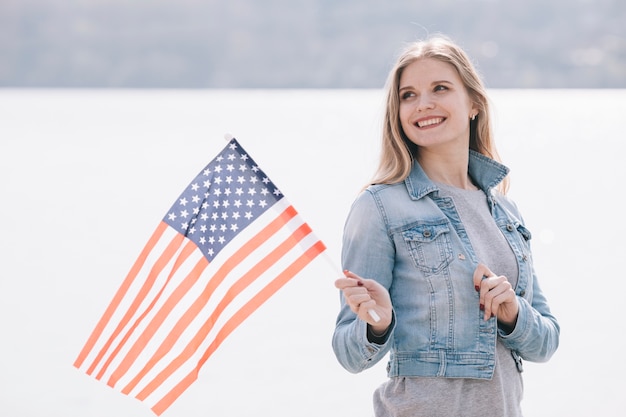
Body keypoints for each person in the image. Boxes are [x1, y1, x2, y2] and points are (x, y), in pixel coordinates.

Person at [332, 35, 560, 417]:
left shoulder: (506, 212)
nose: (423, 104)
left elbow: (546, 341)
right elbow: (347, 352)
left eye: (440, 88)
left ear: (473, 103)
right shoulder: (379, 206)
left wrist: (512, 313)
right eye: (408, 95)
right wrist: (378, 323)